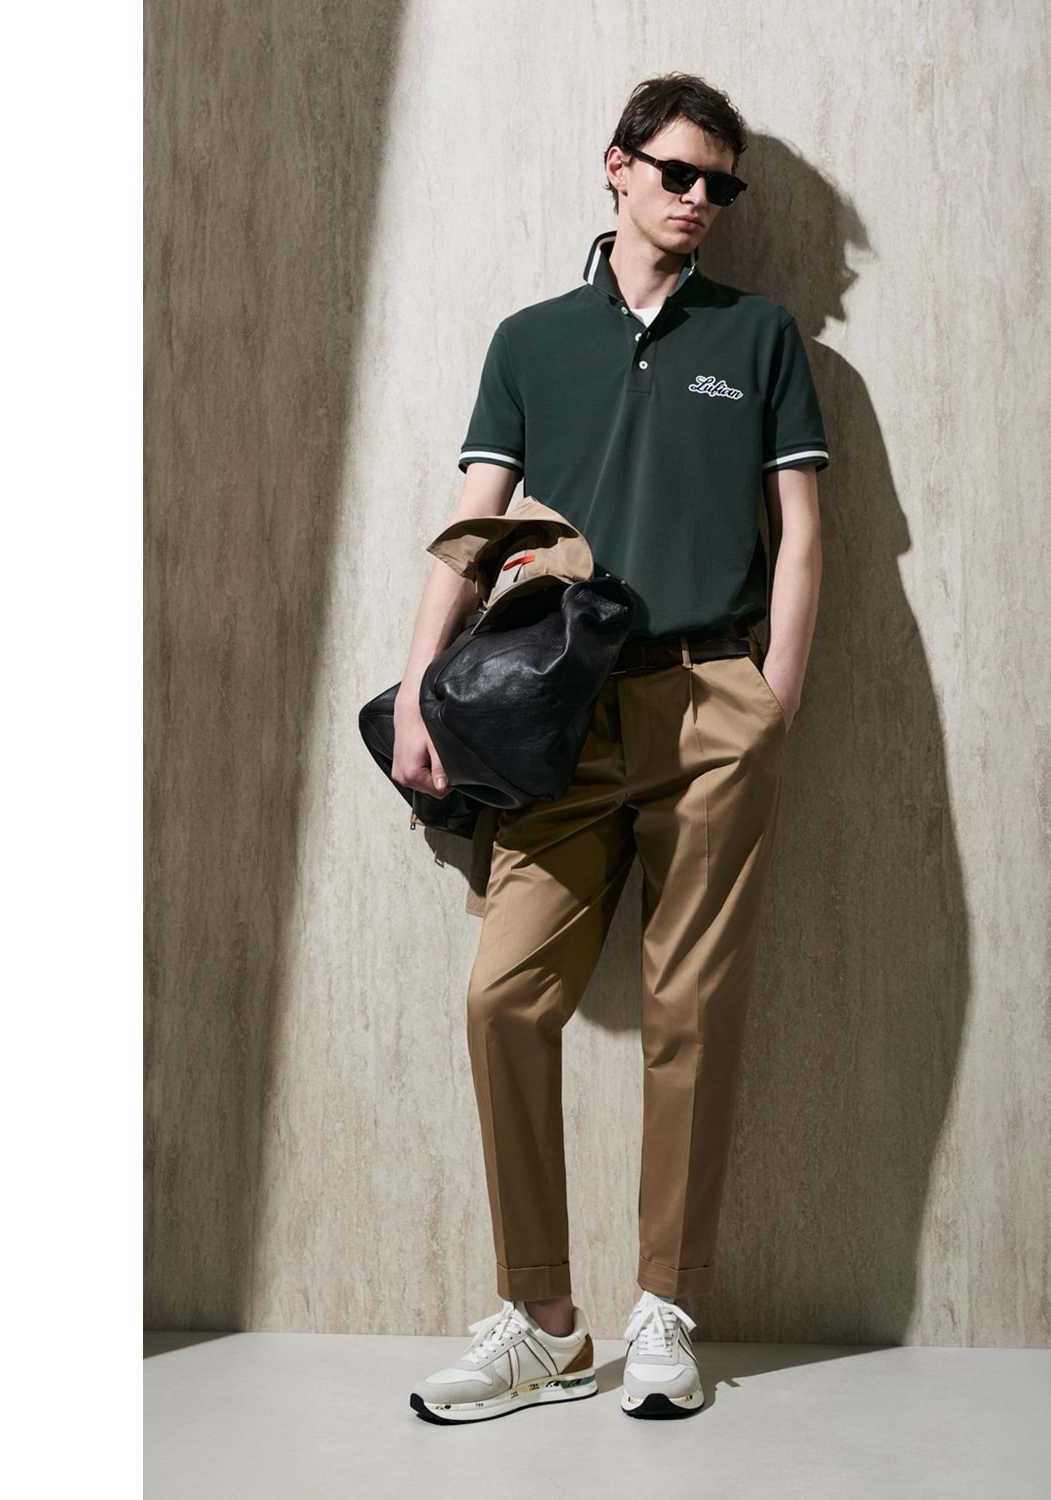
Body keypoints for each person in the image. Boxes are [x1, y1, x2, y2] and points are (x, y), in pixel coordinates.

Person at [397, 72, 829, 1425]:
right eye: (678, 172)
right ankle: (543, 1324)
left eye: (720, 184)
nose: (700, 199)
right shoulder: (531, 340)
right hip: (562, 721)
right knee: (502, 998)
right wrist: (416, 694)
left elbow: (801, 533)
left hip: (712, 708)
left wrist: (772, 698)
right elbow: (473, 529)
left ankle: (665, 1314)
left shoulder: (759, 335)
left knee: (689, 1015)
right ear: (617, 167)